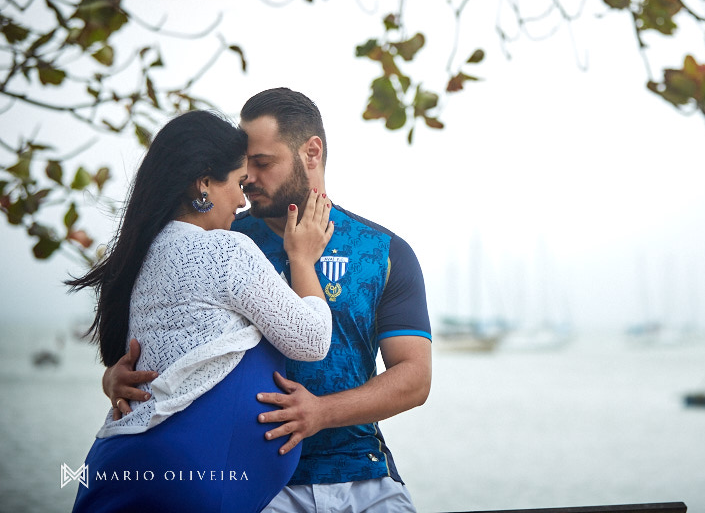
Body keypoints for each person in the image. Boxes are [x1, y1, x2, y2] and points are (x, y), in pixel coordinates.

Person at [105, 88, 433, 513]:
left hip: (365, 474)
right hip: (253, 483)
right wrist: (114, 378)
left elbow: (415, 378)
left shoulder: (383, 252)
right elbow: (161, 332)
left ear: (310, 152)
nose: (249, 179)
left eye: (262, 163)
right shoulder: (221, 241)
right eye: (244, 167)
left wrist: (320, 412)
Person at [68, 109, 335, 513]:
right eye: (239, 182)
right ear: (204, 182)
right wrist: (302, 259)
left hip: (117, 466)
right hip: (192, 482)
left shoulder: (139, 254)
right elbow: (312, 341)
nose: (243, 200)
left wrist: (110, 379)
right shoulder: (224, 250)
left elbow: (140, 357)